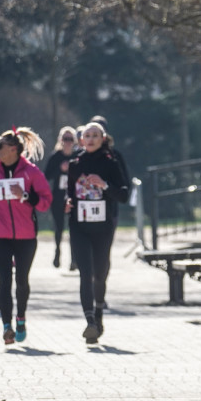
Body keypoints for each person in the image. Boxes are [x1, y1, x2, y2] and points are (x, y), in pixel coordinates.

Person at [0, 127, 53, 345]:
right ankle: (6, 327)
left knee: (21, 281)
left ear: (13, 149)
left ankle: (20, 318)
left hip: (26, 236)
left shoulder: (31, 172)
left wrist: (26, 196)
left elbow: (45, 202)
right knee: (5, 280)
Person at [65, 121, 128, 344]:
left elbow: (124, 194)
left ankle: (99, 314)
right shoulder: (74, 164)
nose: (90, 139)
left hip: (103, 226)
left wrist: (104, 185)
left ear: (102, 139)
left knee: (100, 274)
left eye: (95, 135)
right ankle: (90, 321)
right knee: (85, 273)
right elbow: (70, 193)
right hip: (79, 225)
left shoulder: (111, 162)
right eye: (87, 136)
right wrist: (68, 202)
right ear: (81, 140)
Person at [44, 126, 80, 269]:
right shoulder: (55, 156)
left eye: (70, 139)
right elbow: (46, 176)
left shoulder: (78, 156)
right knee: (58, 227)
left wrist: (71, 170)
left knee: (73, 228)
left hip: (74, 196)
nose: (68, 142)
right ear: (60, 140)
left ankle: (74, 259)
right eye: (65, 139)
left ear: (75, 141)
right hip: (58, 196)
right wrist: (60, 169)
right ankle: (57, 252)